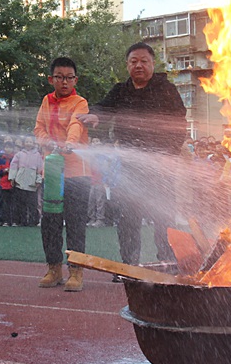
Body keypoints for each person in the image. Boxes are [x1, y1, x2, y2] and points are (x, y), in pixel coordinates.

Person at [78, 42, 187, 267]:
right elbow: (104, 107)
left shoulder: (166, 90)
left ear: (152, 64)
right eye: (133, 61)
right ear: (127, 65)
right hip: (130, 167)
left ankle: (167, 262)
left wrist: (169, 155)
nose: (139, 65)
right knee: (127, 218)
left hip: (160, 166)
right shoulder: (121, 90)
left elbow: (179, 125)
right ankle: (129, 265)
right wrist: (95, 116)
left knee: (163, 218)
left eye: (143, 61)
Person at [33, 57, 91, 291]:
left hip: (77, 172)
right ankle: (54, 268)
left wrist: (69, 143)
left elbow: (77, 125)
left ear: (75, 80)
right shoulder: (45, 102)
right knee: (50, 223)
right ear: (51, 79)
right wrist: (50, 143)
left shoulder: (80, 102)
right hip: (53, 172)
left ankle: (76, 272)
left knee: (76, 223)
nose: (64, 82)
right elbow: (38, 128)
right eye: (59, 77)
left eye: (69, 77)